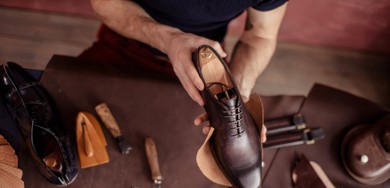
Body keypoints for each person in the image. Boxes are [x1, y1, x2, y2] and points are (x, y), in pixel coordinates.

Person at [82, 0, 288, 140]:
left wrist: (237, 95)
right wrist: (169, 40)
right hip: (127, 41)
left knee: (191, 148)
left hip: (205, 63)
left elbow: (260, 36)